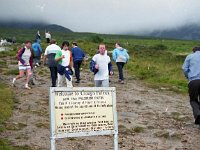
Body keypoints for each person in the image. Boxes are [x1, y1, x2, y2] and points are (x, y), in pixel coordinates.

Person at [182, 46, 200, 125]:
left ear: (193, 51)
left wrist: (188, 77)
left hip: (194, 81)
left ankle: (198, 115)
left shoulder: (190, 56)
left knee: (193, 99)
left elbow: (185, 69)